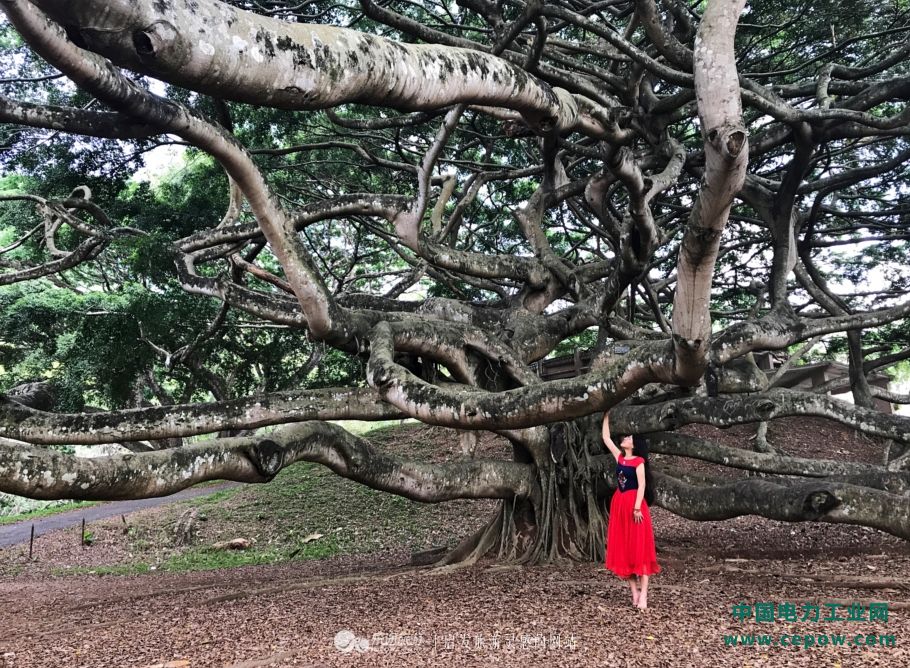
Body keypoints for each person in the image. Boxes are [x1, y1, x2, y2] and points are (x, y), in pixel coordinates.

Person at [602, 411, 661, 609]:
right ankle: (634, 591)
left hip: (635, 506)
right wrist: (606, 414)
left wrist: (637, 508)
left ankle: (644, 594)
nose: (625, 439)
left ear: (634, 445)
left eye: (628, 438)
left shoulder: (639, 462)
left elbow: (642, 486)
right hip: (619, 505)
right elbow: (605, 437)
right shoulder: (620, 458)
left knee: (640, 549)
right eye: (625, 437)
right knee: (626, 548)